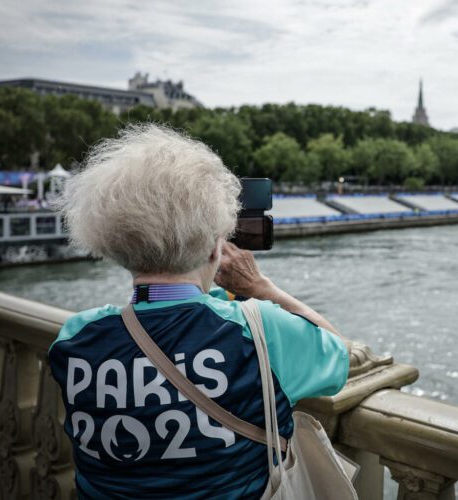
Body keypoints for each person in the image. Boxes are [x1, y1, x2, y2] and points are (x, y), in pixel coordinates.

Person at [49, 124, 350, 498]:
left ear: (113, 247)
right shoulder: (260, 330)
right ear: (215, 248)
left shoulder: (75, 336)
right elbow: (339, 356)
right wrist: (259, 288)